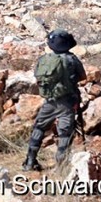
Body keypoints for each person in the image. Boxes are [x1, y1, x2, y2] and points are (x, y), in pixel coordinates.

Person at [23, 29, 87, 171]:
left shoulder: (44, 59)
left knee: (39, 128)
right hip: (67, 103)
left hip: (49, 102)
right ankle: (60, 168)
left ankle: (30, 162)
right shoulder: (72, 59)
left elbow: (38, 76)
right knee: (64, 134)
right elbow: (83, 77)